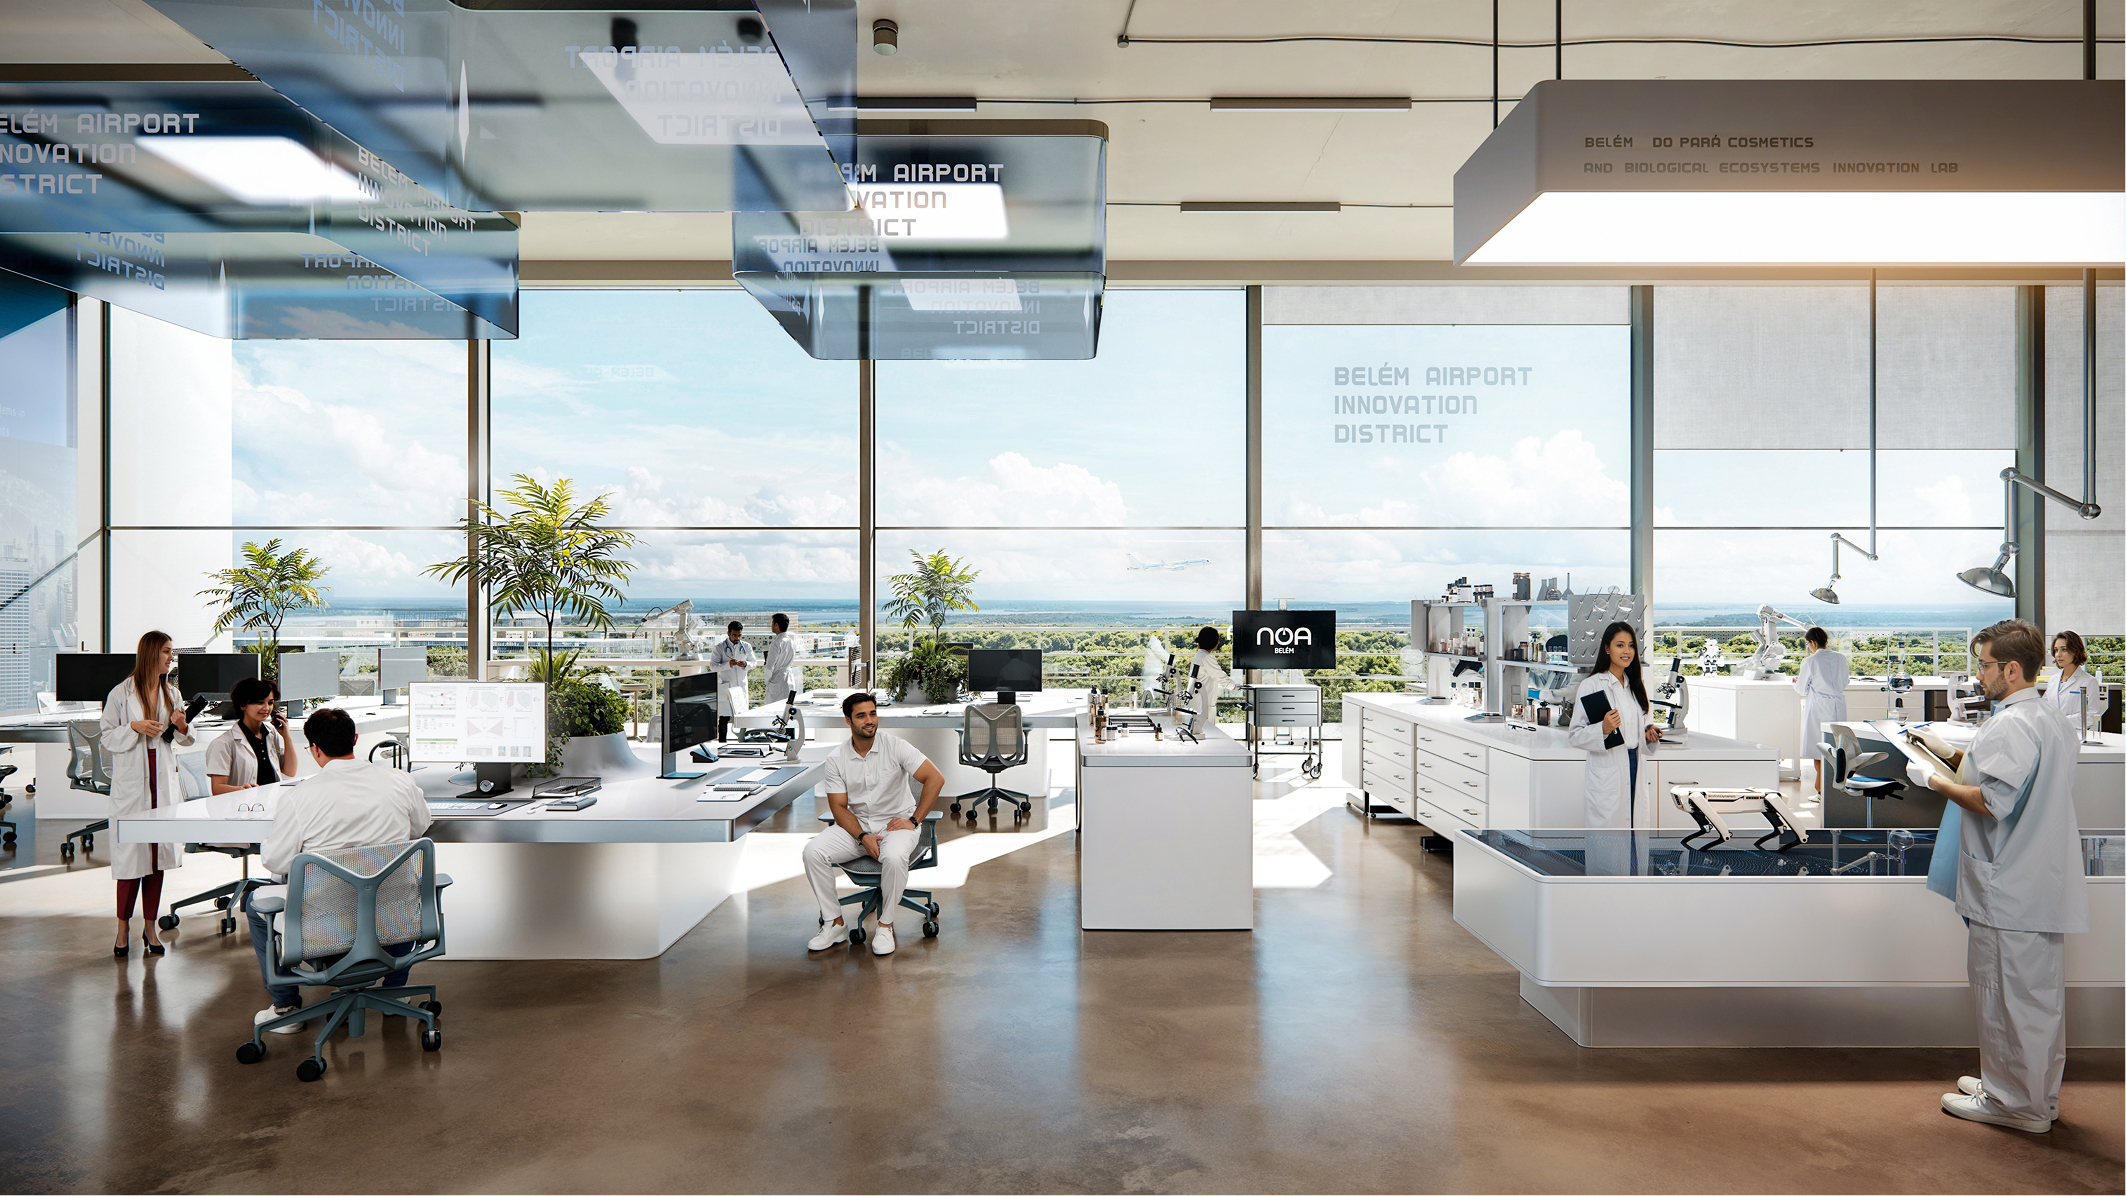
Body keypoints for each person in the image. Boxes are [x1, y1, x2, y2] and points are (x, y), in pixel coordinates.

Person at [1904, 620, 2086, 1133]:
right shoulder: (2045, 717)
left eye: (1983, 666)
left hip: (2009, 885)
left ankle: (2011, 1103)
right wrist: (1948, 753)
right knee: (2037, 998)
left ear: (2010, 668)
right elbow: (2001, 775)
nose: (1978, 676)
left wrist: (1933, 780)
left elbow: (1990, 800)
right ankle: (2035, 1095)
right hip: (2037, 882)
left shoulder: (2010, 724)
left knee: (2003, 994)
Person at [247, 707, 432, 1034]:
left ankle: (286, 1006)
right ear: (356, 740)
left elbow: (275, 863)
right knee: (397, 890)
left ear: (314, 748)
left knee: (256, 903)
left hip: (325, 930)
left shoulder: (300, 797)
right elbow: (420, 828)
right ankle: (393, 992)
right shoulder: (400, 781)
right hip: (396, 922)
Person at [801, 692, 945, 957]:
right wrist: (862, 836)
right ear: (848, 721)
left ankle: (885, 925)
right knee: (813, 852)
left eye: (873, 713)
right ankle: (835, 923)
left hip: (897, 825)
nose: (869, 720)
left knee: (893, 855)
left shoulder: (896, 746)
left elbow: (935, 778)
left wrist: (914, 820)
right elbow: (838, 808)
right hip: (857, 826)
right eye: (861, 715)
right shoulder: (836, 759)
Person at [98, 631, 191, 958]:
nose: (171, 658)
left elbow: (180, 740)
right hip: (132, 787)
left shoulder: (172, 693)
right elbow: (107, 738)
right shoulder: (120, 694)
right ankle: (123, 928)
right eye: (167, 652)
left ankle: (150, 927)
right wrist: (134, 727)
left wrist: (181, 728)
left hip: (161, 783)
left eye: (172, 652)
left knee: (156, 861)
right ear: (151, 653)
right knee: (130, 862)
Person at [1568, 621, 1661, 831]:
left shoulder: (1636, 685)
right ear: (1607, 649)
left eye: (1630, 645)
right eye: (1620, 645)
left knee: (1635, 835)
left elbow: (1638, 727)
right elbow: (1575, 735)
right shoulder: (1591, 685)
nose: (1626, 651)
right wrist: (1603, 728)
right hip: (1609, 771)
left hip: (1635, 765)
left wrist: (1648, 734)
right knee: (1610, 841)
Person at [205, 676, 300, 794]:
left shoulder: (270, 734)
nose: (266, 708)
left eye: (270, 703)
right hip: (242, 808)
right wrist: (242, 790)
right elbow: (217, 789)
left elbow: (290, 771)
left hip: (272, 805)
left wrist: (287, 736)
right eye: (260, 702)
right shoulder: (223, 744)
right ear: (242, 704)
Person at [1792, 626, 1850, 796]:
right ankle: (1828, 788)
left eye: (1808, 643)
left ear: (1813, 642)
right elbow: (1845, 681)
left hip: (1818, 708)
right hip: (1838, 706)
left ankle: (1821, 790)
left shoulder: (1810, 661)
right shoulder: (1840, 657)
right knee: (1835, 747)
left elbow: (1802, 689)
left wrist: (1796, 682)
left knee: (1818, 748)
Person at [2045, 630, 2099, 734]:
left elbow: (2091, 716)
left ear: (2075, 651)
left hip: (2074, 735)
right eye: (2056, 650)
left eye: (2064, 650)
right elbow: (2044, 708)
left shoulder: (2089, 682)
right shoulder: (2053, 680)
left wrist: (2062, 720)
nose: (2058, 655)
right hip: (2051, 734)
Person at [709, 620, 755, 741]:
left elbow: (754, 663)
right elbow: (713, 667)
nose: (737, 638)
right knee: (724, 717)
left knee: (743, 716)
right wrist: (727, 664)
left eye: (739, 635)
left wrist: (746, 664)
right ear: (728, 633)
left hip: (741, 687)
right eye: (734, 635)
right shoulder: (719, 647)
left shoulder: (746, 646)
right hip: (727, 687)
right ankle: (722, 742)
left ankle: (743, 741)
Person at [1185, 627, 1232, 734]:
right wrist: (1235, 686)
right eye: (1217, 639)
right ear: (1212, 641)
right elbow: (1220, 676)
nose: (1219, 642)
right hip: (1202, 705)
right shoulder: (1207, 657)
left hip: (1196, 703)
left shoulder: (1199, 655)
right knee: (1205, 735)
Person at [764, 612, 799, 706]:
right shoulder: (791, 642)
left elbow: (769, 667)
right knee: (786, 709)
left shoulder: (776, 644)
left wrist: (767, 682)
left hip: (777, 681)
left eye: (772, 623)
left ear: (776, 625)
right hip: (789, 678)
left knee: (773, 709)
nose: (771, 625)